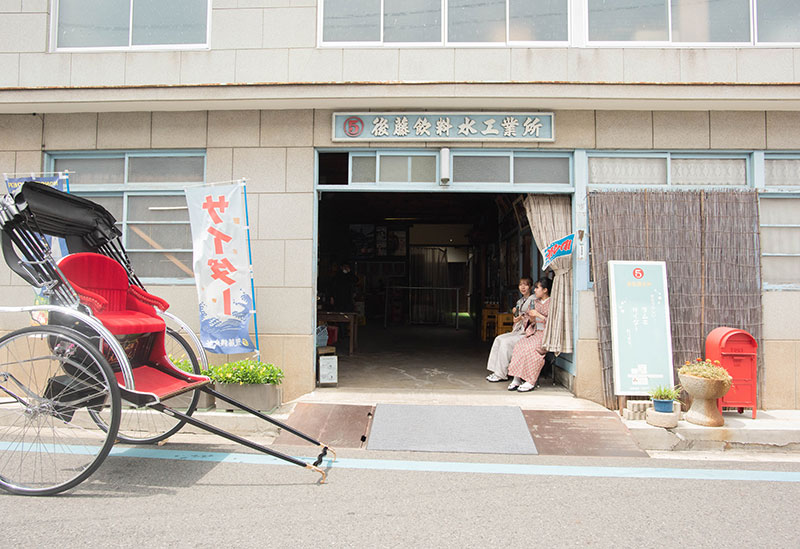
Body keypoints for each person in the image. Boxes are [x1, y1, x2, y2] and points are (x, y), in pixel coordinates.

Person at [485, 277, 536, 382]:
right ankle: (496, 370)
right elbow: (518, 318)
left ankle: (501, 374)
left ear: (530, 287)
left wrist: (522, 317)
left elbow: (533, 318)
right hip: (519, 330)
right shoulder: (520, 301)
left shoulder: (534, 300)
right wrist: (516, 317)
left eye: (525, 285)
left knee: (505, 342)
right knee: (499, 339)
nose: (523, 287)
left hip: (527, 332)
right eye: (521, 284)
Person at [507, 277, 552, 392]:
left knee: (531, 349)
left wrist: (539, 315)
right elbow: (528, 320)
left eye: (537, 288)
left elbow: (554, 321)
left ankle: (530, 380)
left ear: (545, 290)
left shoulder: (552, 303)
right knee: (520, 345)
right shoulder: (535, 302)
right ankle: (517, 378)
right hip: (535, 332)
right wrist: (531, 318)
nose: (535, 290)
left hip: (546, 334)